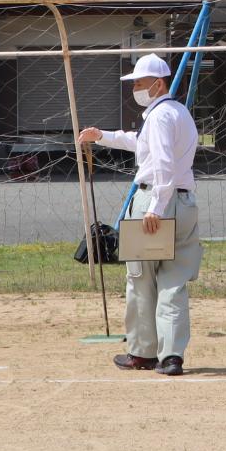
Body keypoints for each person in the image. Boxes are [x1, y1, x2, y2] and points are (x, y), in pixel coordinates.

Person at [79, 54, 199, 376]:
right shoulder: (178, 113)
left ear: (158, 84)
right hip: (185, 202)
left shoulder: (159, 117)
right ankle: (172, 355)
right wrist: (103, 136)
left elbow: (161, 164)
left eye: (140, 83)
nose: (135, 88)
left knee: (141, 279)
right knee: (174, 281)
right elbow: (140, 143)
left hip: (155, 200)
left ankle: (142, 351)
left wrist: (154, 208)